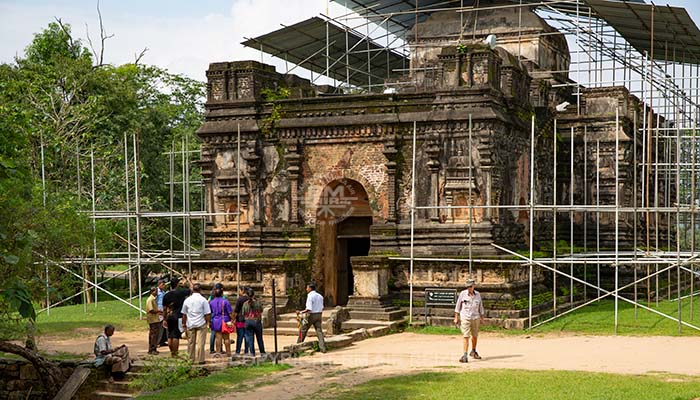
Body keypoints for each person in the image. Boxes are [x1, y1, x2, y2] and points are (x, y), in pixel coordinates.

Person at [454, 279, 485, 363]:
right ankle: (465, 355)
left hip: (475, 317)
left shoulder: (478, 295)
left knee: (475, 336)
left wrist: (482, 317)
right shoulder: (463, 294)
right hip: (465, 317)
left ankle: (473, 351)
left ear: (474, 286)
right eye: (468, 287)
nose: (469, 288)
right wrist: (456, 317)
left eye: (471, 286)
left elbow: (480, 307)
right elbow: (457, 307)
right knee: (466, 336)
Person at [181, 283, 211, 364]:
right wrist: (207, 322)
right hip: (201, 323)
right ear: (200, 290)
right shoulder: (203, 300)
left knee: (191, 342)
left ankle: (190, 359)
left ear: (192, 290)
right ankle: (201, 359)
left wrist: (183, 324)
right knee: (201, 343)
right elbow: (207, 313)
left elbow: (184, 314)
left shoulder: (187, 300)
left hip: (190, 323)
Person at [162, 278, 191, 357]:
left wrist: (164, 319)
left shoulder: (166, 295)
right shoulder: (181, 293)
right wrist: (188, 281)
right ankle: (175, 353)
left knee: (170, 335)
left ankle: (172, 353)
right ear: (177, 284)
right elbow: (191, 289)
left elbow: (164, 308)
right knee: (175, 336)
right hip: (177, 315)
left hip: (169, 315)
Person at [296, 282, 326, 353]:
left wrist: (300, 312)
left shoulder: (310, 296)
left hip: (310, 315)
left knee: (303, 329)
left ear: (310, 288)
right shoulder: (320, 296)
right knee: (319, 331)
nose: (306, 289)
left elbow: (309, 309)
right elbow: (322, 307)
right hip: (319, 314)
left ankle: (298, 345)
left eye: (307, 288)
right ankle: (323, 348)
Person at [209, 283, 233, 356]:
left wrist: (209, 322)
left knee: (218, 338)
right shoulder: (225, 301)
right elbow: (230, 312)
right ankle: (228, 352)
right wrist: (232, 320)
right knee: (226, 338)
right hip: (225, 320)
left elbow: (210, 312)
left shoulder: (212, 302)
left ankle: (218, 352)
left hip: (215, 320)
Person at [242, 288, 265, 356]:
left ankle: (252, 353)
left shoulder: (245, 304)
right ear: (254, 295)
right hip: (256, 321)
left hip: (248, 321)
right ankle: (262, 352)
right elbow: (261, 310)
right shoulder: (258, 303)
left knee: (250, 338)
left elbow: (243, 313)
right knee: (259, 338)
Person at [232, 286, 249, 354]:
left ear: (242, 291)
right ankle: (246, 350)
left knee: (240, 336)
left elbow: (236, 310)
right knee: (247, 336)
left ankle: (238, 350)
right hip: (248, 319)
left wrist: (233, 319)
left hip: (240, 319)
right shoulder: (249, 299)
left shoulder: (240, 299)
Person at [145, 286, 161, 355]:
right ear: (152, 291)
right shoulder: (150, 300)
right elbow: (151, 310)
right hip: (153, 319)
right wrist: (158, 311)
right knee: (153, 335)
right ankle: (152, 349)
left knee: (154, 334)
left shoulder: (154, 299)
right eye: (156, 291)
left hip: (155, 319)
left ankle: (153, 348)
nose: (157, 292)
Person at [156, 279, 168, 347]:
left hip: (163, 309)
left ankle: (162, 340)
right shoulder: (157, 292)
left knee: (164, 326)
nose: (164, 286)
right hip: (159, 309)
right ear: (159, 284)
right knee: (159, 326)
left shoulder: (163, 292)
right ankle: (158, 341)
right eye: (163, 285)